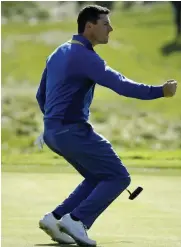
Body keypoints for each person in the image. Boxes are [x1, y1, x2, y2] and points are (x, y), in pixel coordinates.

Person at [36, 5, 177, 247]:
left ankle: (55, 218)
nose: (110, 29)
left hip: (52, 132)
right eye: (105, 24)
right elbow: (121, 85)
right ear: (89, 26)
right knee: (118, 177)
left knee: (96, 177)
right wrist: (160, 92)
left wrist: (53, 123)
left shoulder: (57, 52)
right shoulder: (87, 57)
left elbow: (41, 96)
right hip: (71, 130)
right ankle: (77, 220)